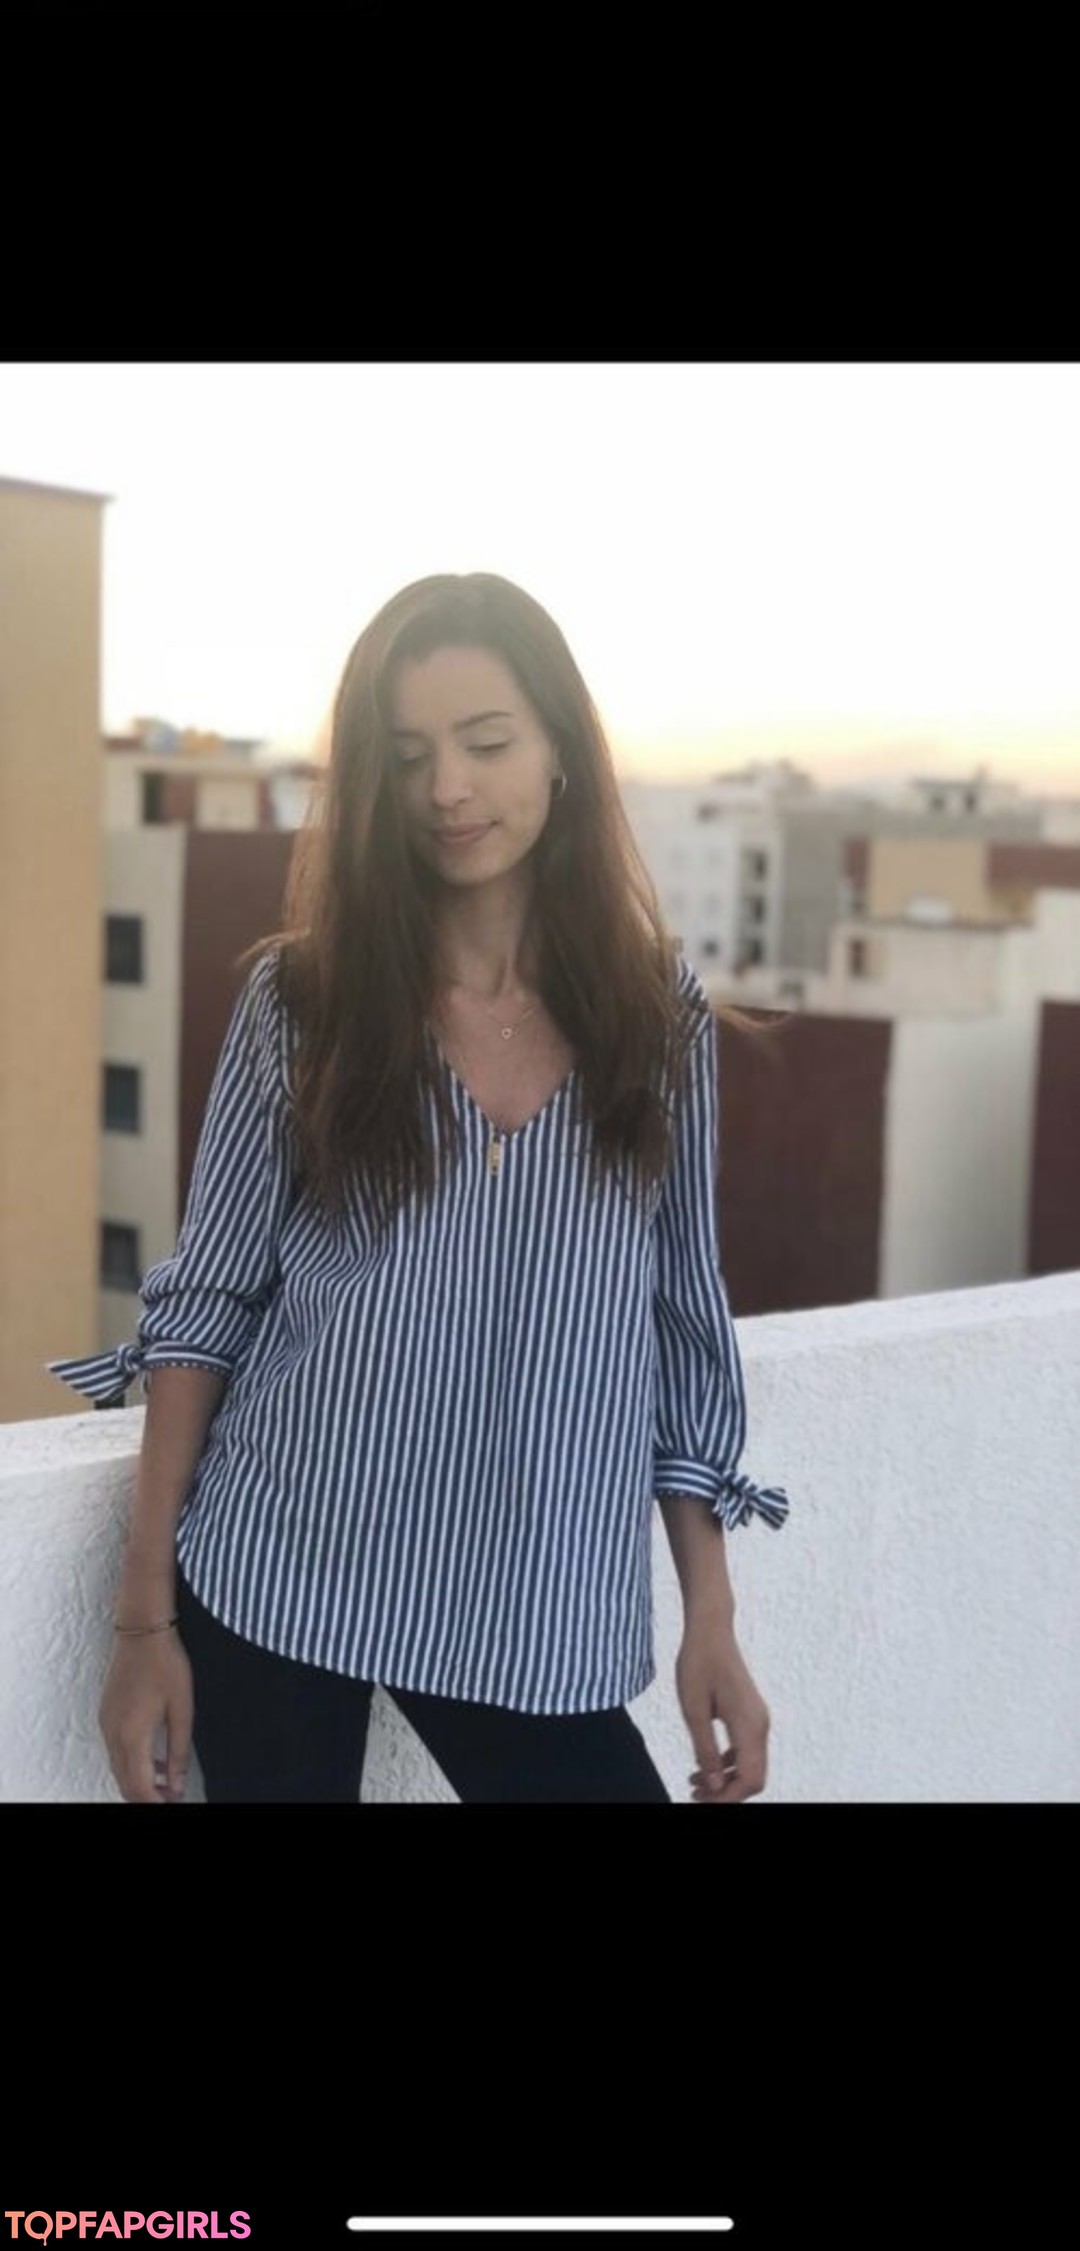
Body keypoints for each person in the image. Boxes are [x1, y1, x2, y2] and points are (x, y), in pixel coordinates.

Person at [50, 571, 790, 1804]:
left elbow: (679, 1319)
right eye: (405, 757)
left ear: (561, 749)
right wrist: (143, 1624)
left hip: (532, 1602)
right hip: (280, 1569)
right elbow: (207, 1302)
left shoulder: (657, 1019)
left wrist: (710, 1617)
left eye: (486, 742)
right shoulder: (305, 1002)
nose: (446, 788)